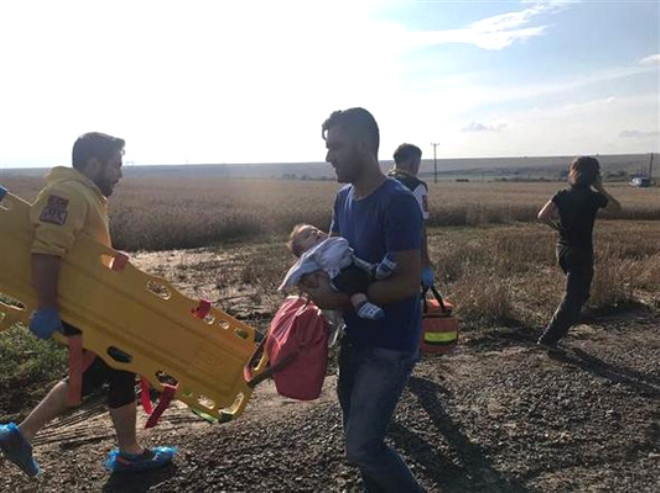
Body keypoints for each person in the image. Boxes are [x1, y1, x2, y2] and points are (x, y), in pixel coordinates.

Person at [0, 132, 176, 477]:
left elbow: (78, 253)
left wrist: (110, 263)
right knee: (120, 362)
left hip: (90, 304)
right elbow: (46, 251)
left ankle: (20, 435)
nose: (120, 174)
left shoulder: (86, 194)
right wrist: (48, 307)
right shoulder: (67, 193)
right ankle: (129, 453)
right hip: (77, 307)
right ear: (93, 164)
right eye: (116, 165)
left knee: (93, 373)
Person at [303, 108, 424, 492]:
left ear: (363, 145)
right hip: (355, 340)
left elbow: (407, 283)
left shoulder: (398, 201)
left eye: (335, 146)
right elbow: (335, 258)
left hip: (390, 345)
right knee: (362, 440)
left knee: (361, 447)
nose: (328, 157)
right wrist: (313, 280)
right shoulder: (343, 199)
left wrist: (340, 299)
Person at [537, 156, 621, 348]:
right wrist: (600, 188)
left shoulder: (562, 194)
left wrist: (557, 228)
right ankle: (548, 339)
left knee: (579, 294)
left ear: (573, 172)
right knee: (574, 297)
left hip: (562, 251)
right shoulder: (594, 197)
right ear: (594, 176)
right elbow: (617, 208)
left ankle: (564, 325)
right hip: (581, 253)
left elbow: (542, 216)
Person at [280, 223, 397, 320]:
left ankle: (377, 271)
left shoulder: (331, 242)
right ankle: (360, 304)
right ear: (302, 251)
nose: (314, 233)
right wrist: (286, 283)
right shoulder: (309, 256)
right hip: (338, 276)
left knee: (361, 266)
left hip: (350, 262)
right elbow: (297, 270)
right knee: (353, 278)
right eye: (307, 236)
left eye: (315, 230)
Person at [388, 143, 433, 288]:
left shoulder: (381, 182)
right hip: (406, 251)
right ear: (414, 162)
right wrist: (425, 263)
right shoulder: (417, 186)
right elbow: (420, 227)